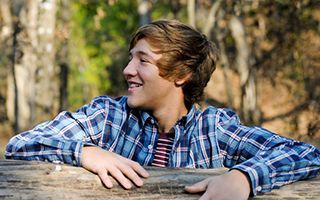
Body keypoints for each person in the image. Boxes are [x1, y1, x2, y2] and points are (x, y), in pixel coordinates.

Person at [5, 19, 320, 199]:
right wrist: (87, 153)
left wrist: (244, 177)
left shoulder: (215, 129)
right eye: (131, 58)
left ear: (182, 75)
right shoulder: (107, 118)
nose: (128, 69)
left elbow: (309, 155)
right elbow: (20, 145)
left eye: (143, 61)